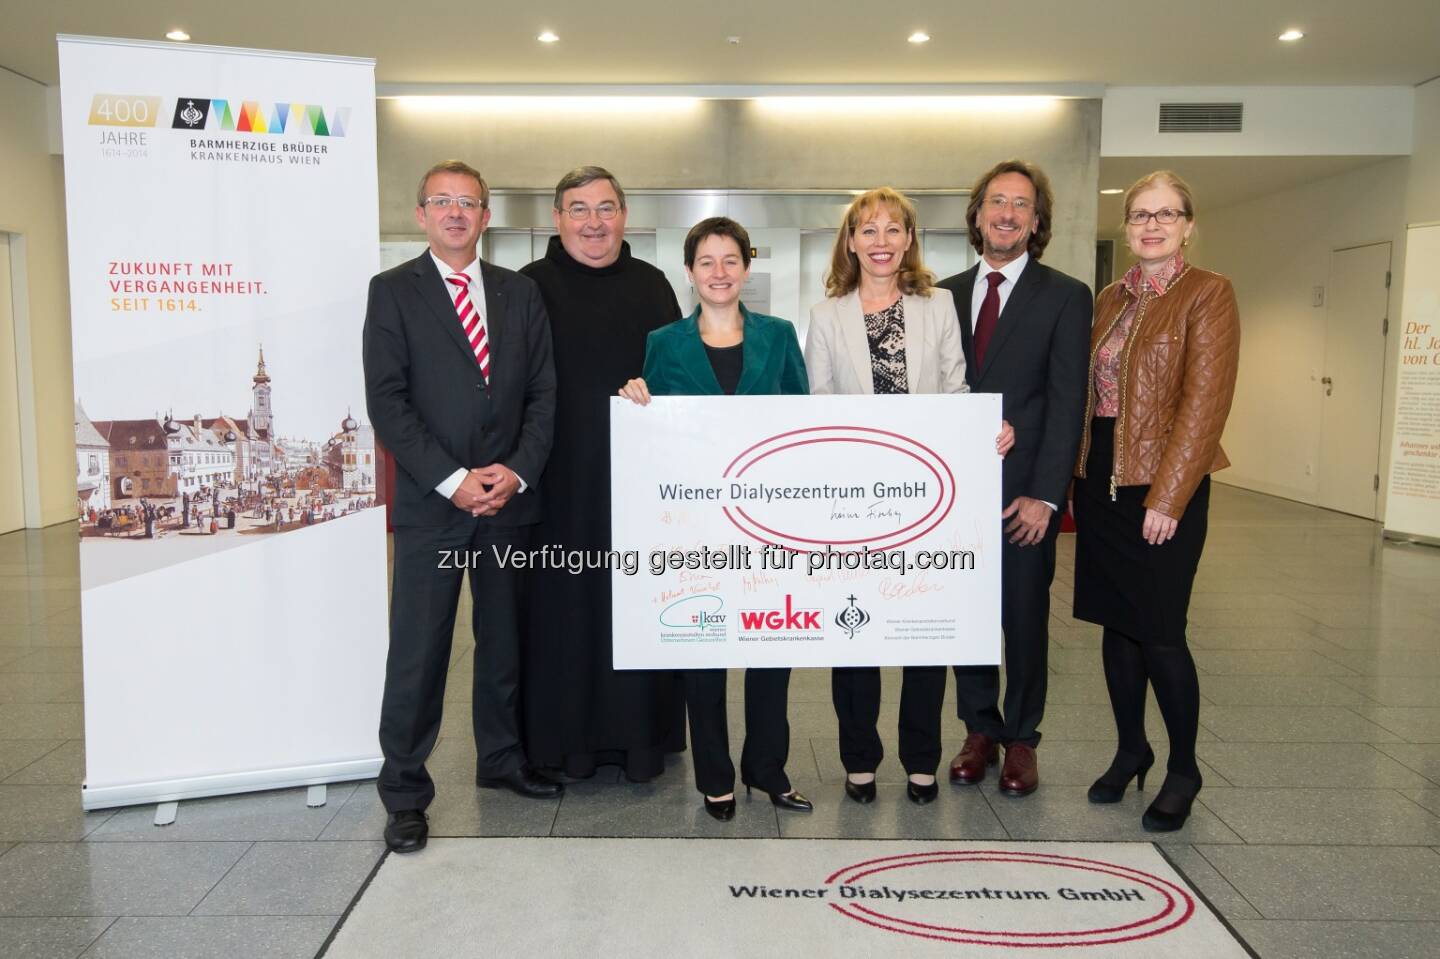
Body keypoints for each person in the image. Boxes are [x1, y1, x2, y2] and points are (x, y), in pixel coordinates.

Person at [363, 159, 560, 855]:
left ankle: (501, 760)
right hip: (432, 504)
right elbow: (388, 401)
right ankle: (406, 793)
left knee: (504, 641)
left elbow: (543, 393)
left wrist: (515, 470)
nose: (455, 213)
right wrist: (453, 478)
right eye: (441, 201)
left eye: (468, 202)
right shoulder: (392, 293)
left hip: (508, 501)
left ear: (485, 217)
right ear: (421, 214)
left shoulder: (519, 293)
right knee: (419, 651)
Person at [805, 187, 1013, 806]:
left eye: (894, 230)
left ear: (909, 240)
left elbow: (955, 389)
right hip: (853, 501)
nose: (881, 242)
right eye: (868, 230)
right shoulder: (825, 316)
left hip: (927, 498)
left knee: (924, 632)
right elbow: (818, 409)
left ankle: (921, 757)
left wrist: (984, 430)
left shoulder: (937, 305)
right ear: (850, 242)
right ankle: (860, 758)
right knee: (857, 633)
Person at [617, 217, 811, 821]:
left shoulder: (779, 337)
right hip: (694, 525)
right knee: (703, 651)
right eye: (707, 261)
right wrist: (635, 400)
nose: (720, 272)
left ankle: (768, 769)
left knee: (771, 649)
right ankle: (715, 775)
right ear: (690, 271)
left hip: (768, 523)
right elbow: (652, 434)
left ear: (747, 268)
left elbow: (800, 424)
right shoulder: (664, 342)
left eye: (731, 260)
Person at [1072, 170, 1239, 831]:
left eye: (1165, 214)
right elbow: (1091, 395)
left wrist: (1168, 496)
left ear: (1188, 224)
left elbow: (1205, 402)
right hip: (1104, 478)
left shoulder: (1208, 294)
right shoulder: (1111, 297)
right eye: (1140, 214)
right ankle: (1131, 748)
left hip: (1166, 481)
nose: (1150, 224)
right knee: (1118, 624)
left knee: (1163, 632)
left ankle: (1184, 767)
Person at [519, 167, 686, 783]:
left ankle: (640, 741)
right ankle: (564, 744)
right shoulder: (527, 287)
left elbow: (676, 379)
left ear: (625, 215)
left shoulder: (653, 285)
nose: (594, 222)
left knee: (636, 607)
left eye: (606, 208)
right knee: (562, 615)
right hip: (553, 484)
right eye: (579, 209)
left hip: (637, 487)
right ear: (557, 219)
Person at [937, 160, 1092, 798]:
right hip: (953, 496)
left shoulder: (1065, 295)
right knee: (967, 614)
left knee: (1024, 616)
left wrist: (1047, 495)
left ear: (1036, 220)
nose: (1006, 213)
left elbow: (1066, 401)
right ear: (976, 216)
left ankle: (1022, 738)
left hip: (1024, 492)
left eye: (1020, 204)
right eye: (995, 201)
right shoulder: (939, 294)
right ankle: (979, 727)